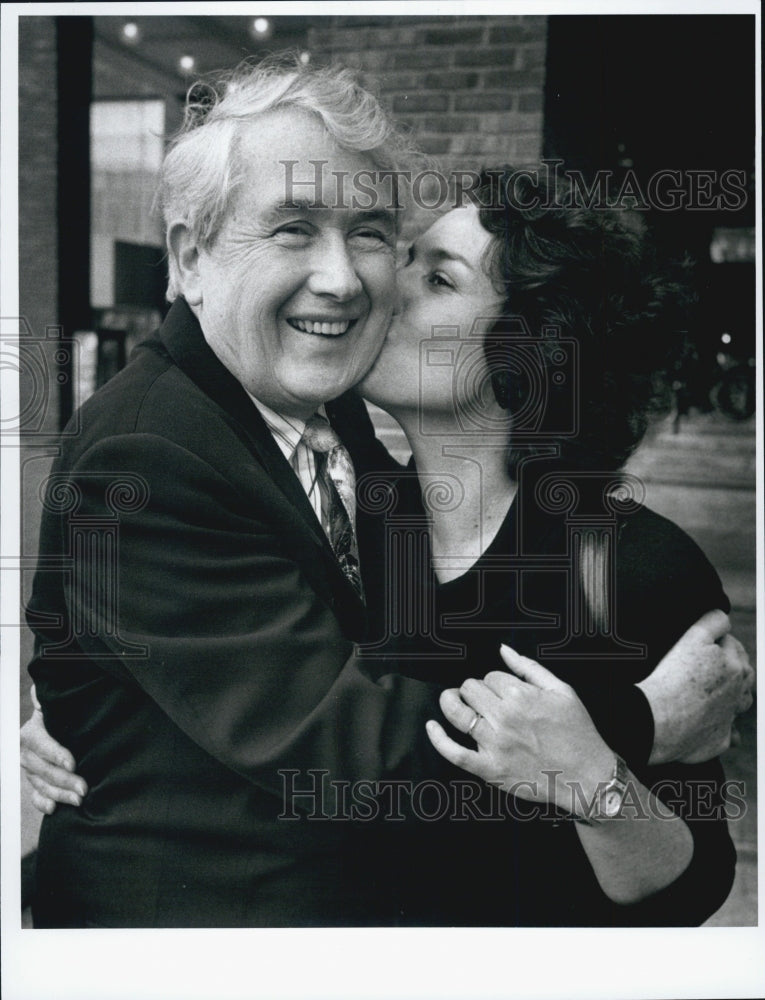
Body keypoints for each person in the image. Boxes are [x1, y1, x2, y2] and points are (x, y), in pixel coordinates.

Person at [20, 59, 752, 926]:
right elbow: (340, 742)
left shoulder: (614, 559)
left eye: (403, 255)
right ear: (190, 255)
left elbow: (692, 875)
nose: (364, 283)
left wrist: (603, 783)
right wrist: (637, 724)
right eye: (294, 228)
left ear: (531, 350)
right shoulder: (175, 454)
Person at [349, 167, 754, 923]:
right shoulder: (350, 525)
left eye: (437, 279)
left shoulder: (629, 568)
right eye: (405, 259)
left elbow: (691, 884)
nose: (379, 287)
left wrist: (591, 774)